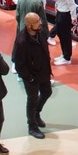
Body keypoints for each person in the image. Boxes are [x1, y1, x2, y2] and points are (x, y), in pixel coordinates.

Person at [13, 12, 52, 140]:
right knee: (32, 99)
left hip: (43, 71)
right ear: (29, 26)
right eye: (37, 22)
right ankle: (32, 127)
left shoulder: (40, 33)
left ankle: (36, 113)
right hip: (31, 76)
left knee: (47, 92)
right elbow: (19, 64)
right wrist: (29, 77)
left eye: (39, 20)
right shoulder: (22, 41)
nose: (40, 23)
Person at [51, 0, 74, 66]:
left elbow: (71, 3)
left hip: (65, 14)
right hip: (60, 12)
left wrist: (73, 17)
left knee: (66, 36)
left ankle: (67, 57)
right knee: (60, 35)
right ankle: (64, 54)